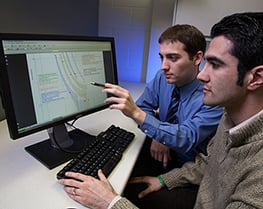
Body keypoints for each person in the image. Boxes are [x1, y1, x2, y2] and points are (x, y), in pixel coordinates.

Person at [59, 12, 263, 209]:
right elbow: (210, 163)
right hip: (183, 172)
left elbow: (185, 137)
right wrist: (161, 155)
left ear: (255, 78)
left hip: (191, 180)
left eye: (216, 64)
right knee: (121, 174)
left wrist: (111, 203)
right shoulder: (231, 120)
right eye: (162, 57)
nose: (202, 76)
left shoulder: (216, 105)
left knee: (124, 190)